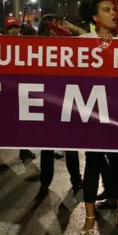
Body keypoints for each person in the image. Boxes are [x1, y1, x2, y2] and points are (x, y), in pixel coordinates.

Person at [78, 0, 118, 235]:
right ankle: (89, 219)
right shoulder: (82, 42)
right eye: (106, 10)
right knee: (92, 164)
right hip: (92, 116)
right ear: (94, 18)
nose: (113, 13)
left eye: (114, 10)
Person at [34, 16, 83, 201]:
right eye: (56, 23)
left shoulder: (72, 45)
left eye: (60, 23)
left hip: (68, 102)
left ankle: (76, 180)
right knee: (46, 148)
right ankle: (45, 183)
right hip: (47, 104)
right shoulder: (38, 47)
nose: (60, 26)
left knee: (71, 147)